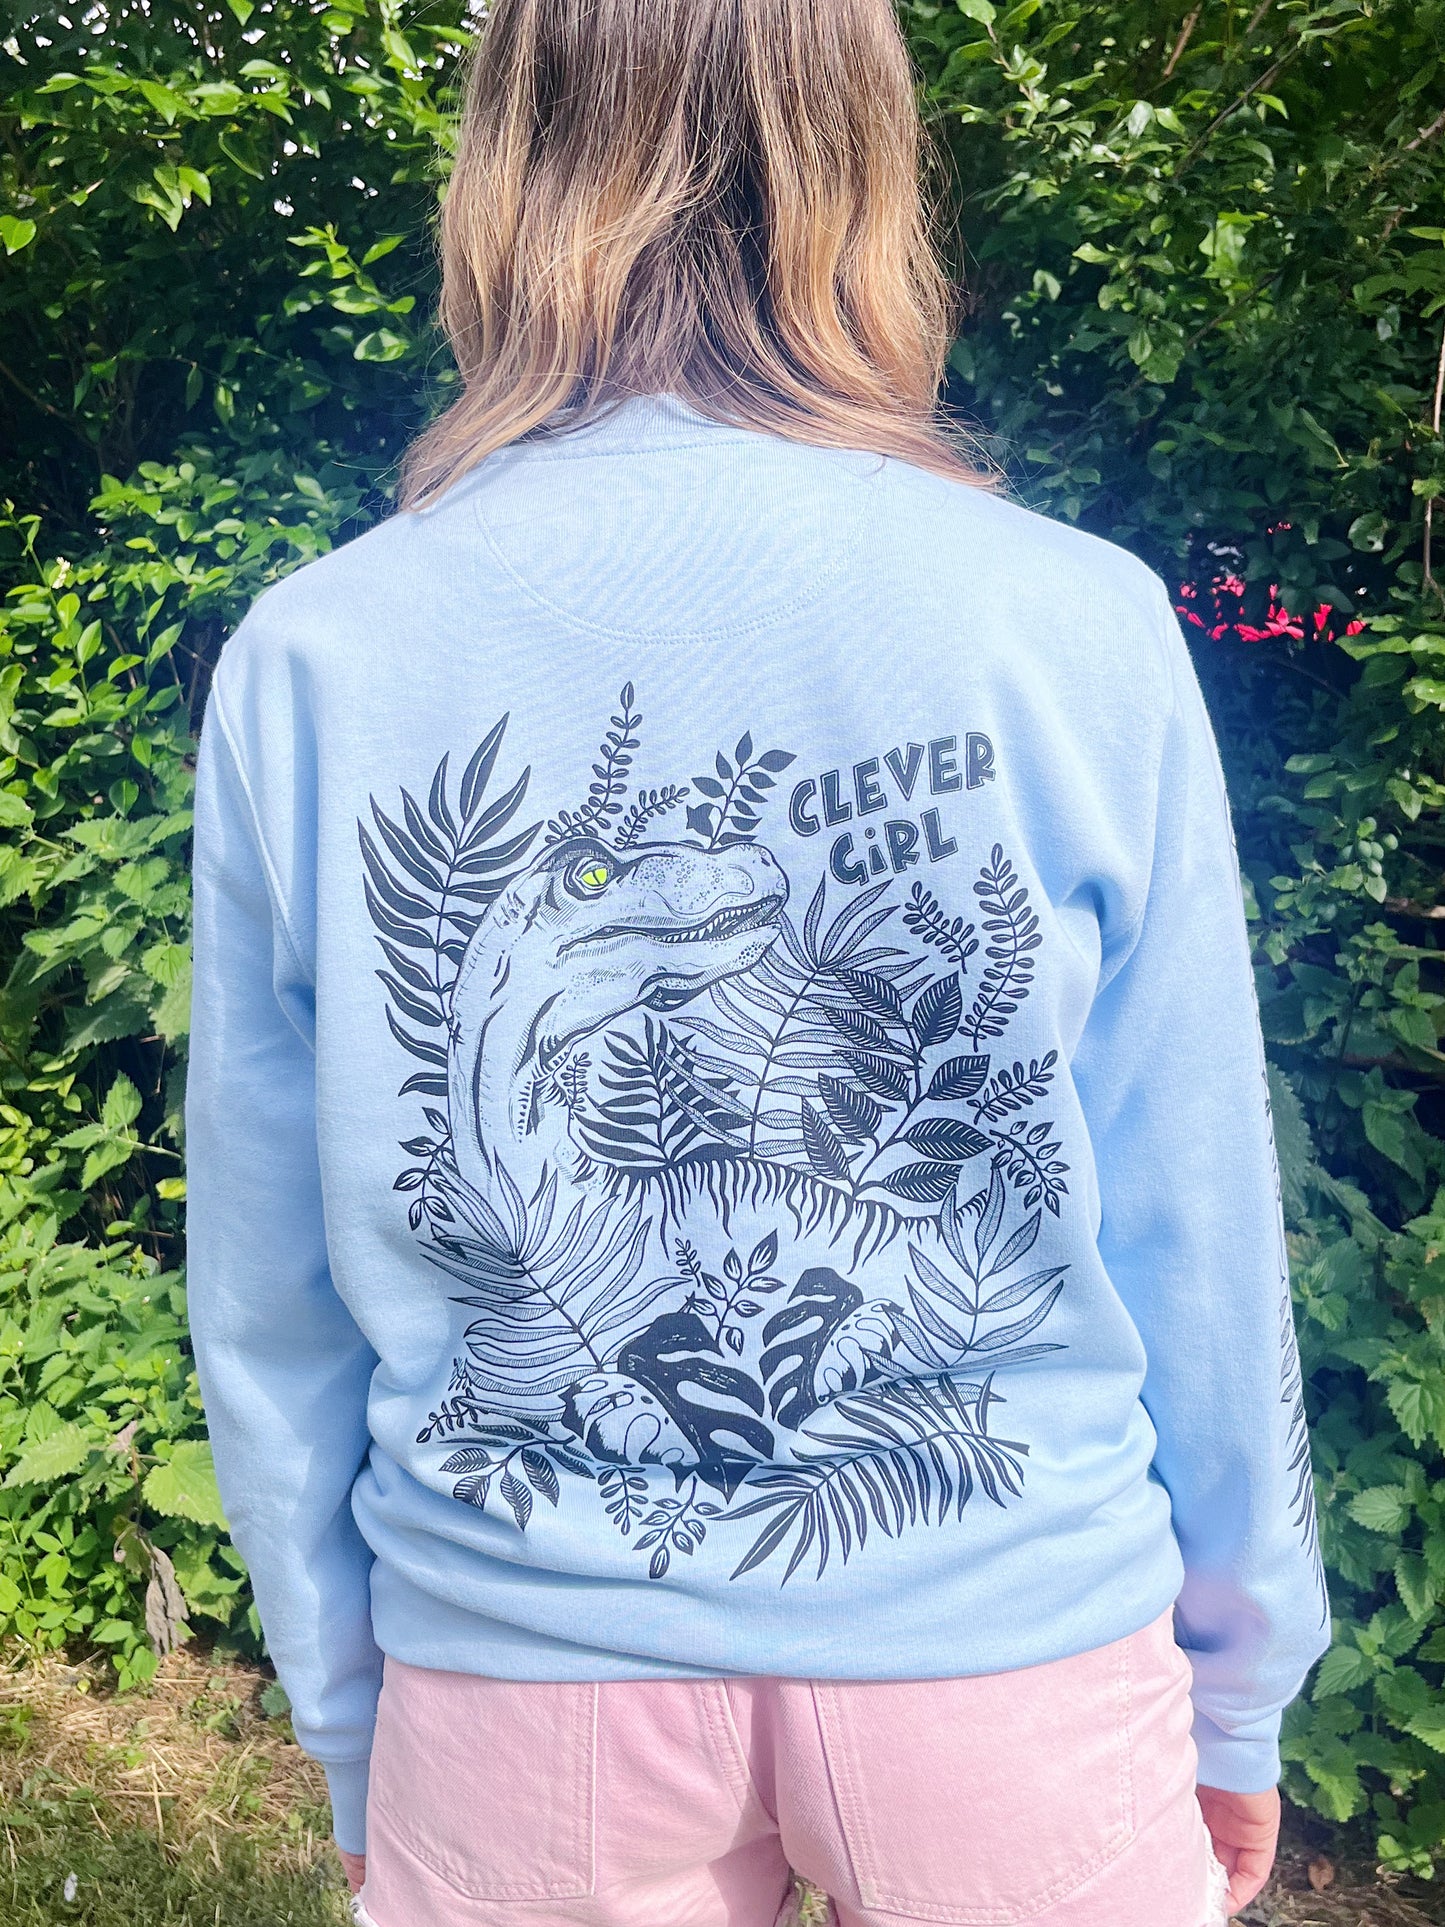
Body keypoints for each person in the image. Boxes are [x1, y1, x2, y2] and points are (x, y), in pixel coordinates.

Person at [185, 2, 1332, 1922]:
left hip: (522, 1666)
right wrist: (1239, 1678)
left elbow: (270, 1294)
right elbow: (1193, 1213)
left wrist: (347, 1710)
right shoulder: (1072, 619)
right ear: (863, 161)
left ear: (506, 167)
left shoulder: (318, 654)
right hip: (1011, 1656)